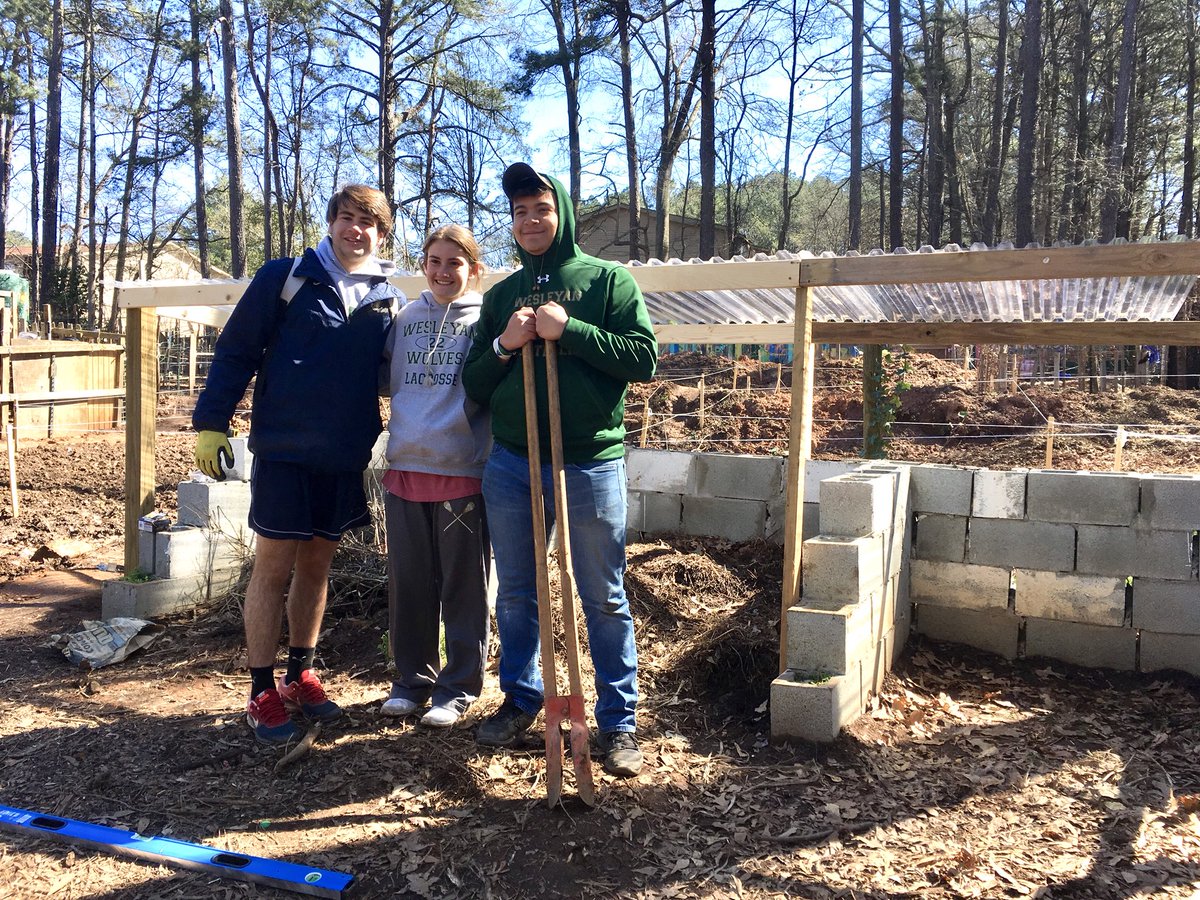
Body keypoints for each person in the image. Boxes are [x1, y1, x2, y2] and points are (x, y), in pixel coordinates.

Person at [462, 163, 657, 777]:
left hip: (588, 462)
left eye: (540, 208)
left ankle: (617, 722)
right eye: (519, 213)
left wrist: (569, 330)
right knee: (518, 593)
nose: (530, 221)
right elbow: (473, 380)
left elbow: (644, 358)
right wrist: (504, 346)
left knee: (601, 594)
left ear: (562, 212)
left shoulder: (608, 281)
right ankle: (522, 699)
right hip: (514, 463)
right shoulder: (499, 297)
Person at [193, 184, 405, 745]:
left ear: (382, 234)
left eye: (369, 223)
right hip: (284, 450)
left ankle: (299, 675)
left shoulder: (387, 298)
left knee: (316, 568)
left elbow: (395, 377)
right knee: (272, 568)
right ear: (331, 222)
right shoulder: (285, 278)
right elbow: (237, 350)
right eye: (347, 218)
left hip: (343, 454)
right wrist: (212, 421)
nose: (355, 229)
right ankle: (261, 690)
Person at [379, 224, 492, 728]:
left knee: (463, 586)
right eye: (434, 261)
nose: (443, 272)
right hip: (405, 466)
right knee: (409, 584)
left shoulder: (486, 320)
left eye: (454, 263)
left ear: (473, 269)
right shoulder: (405, 318)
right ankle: (411, 681)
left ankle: (459, 685)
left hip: (461, 471)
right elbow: (385, 379)